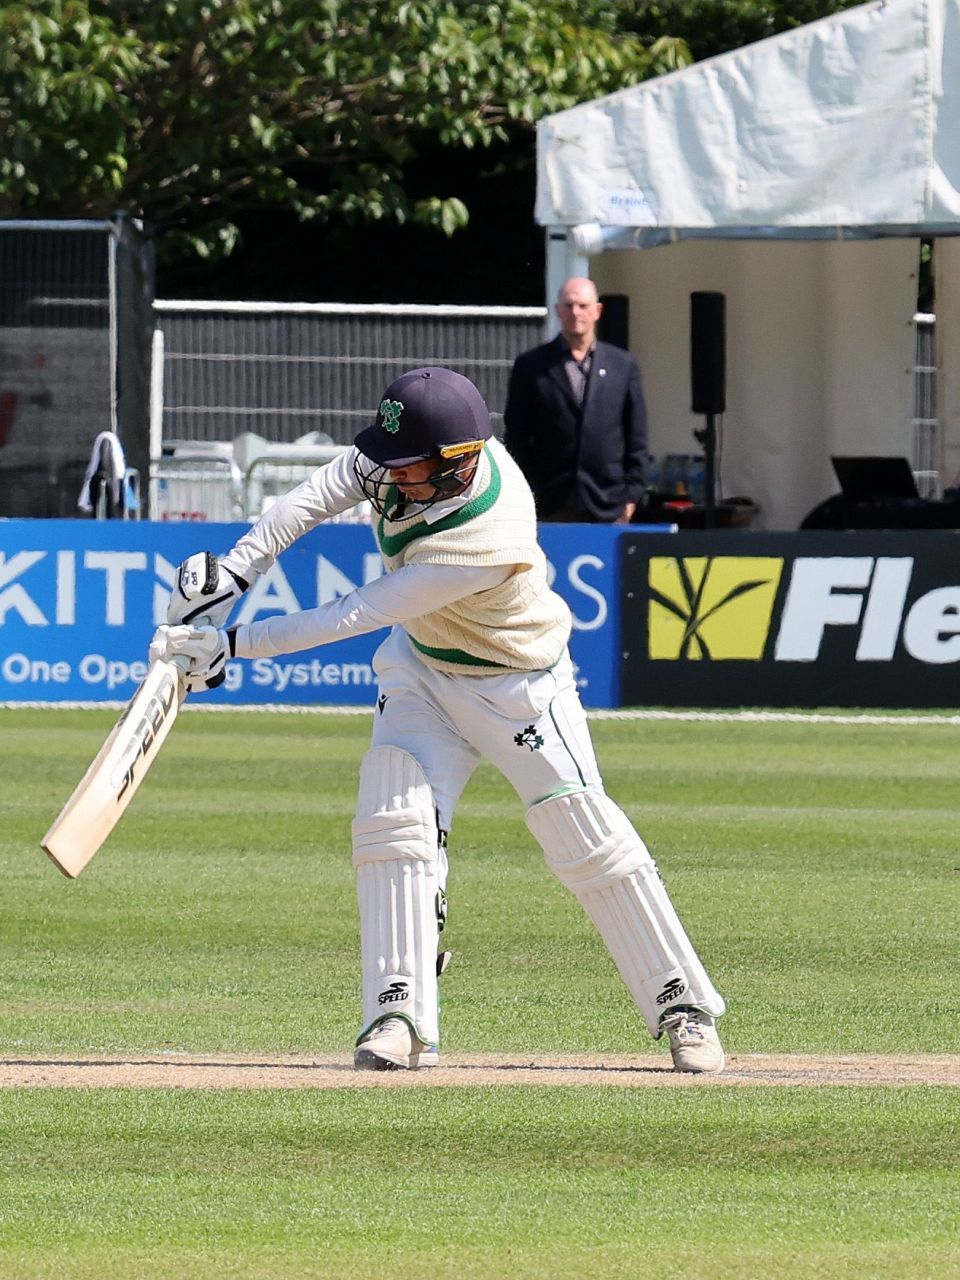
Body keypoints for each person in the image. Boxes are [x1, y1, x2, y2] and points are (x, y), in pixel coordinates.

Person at [151, 367, 725, 1074]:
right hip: (423, 672)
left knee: (582, 832)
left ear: (458, 466)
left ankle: (682, 1006)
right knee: (393, 819)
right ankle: (398, 1012)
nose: (385, 480)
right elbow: (317, 494)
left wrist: (231, 646)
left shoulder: (488, 532)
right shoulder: (412, 454)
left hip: (517, 687)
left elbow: (357, 613)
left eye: (405, 469)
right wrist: (234, 573)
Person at [503, 277, 649, 523]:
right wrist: (525, 490)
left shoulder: (623, 366)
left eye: (582, 305)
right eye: (568, 305)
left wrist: (631, 496)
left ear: (597, 311)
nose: (575, 312)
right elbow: (516, 435)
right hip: (548, 504)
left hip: (608, 504)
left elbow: (637, 438)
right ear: (558, 310)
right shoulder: (531, 365)